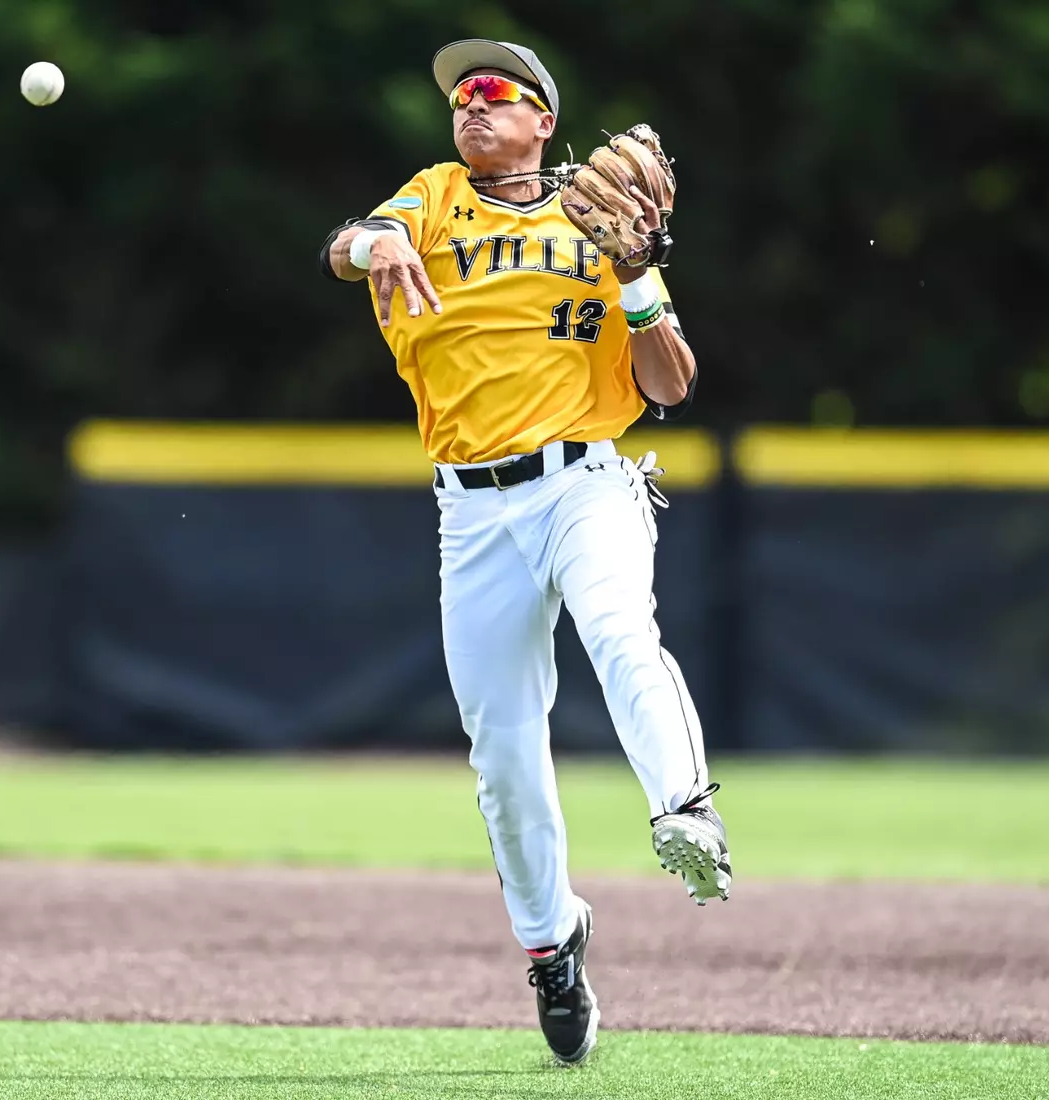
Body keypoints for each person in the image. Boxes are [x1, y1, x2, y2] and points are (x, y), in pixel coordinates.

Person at [318, 38, 730, 1066]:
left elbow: (673, 386)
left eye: (497, 92)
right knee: (502, 750)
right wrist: (371, 245)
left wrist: (638, 277)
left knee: (618, 626)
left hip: (587, 478)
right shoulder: (434, 198)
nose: (472, 105)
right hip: (472, 510)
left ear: (545, 118)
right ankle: (552, 945)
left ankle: (685, 804)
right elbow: (346, 242)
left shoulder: (598, 224)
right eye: (461, 95)